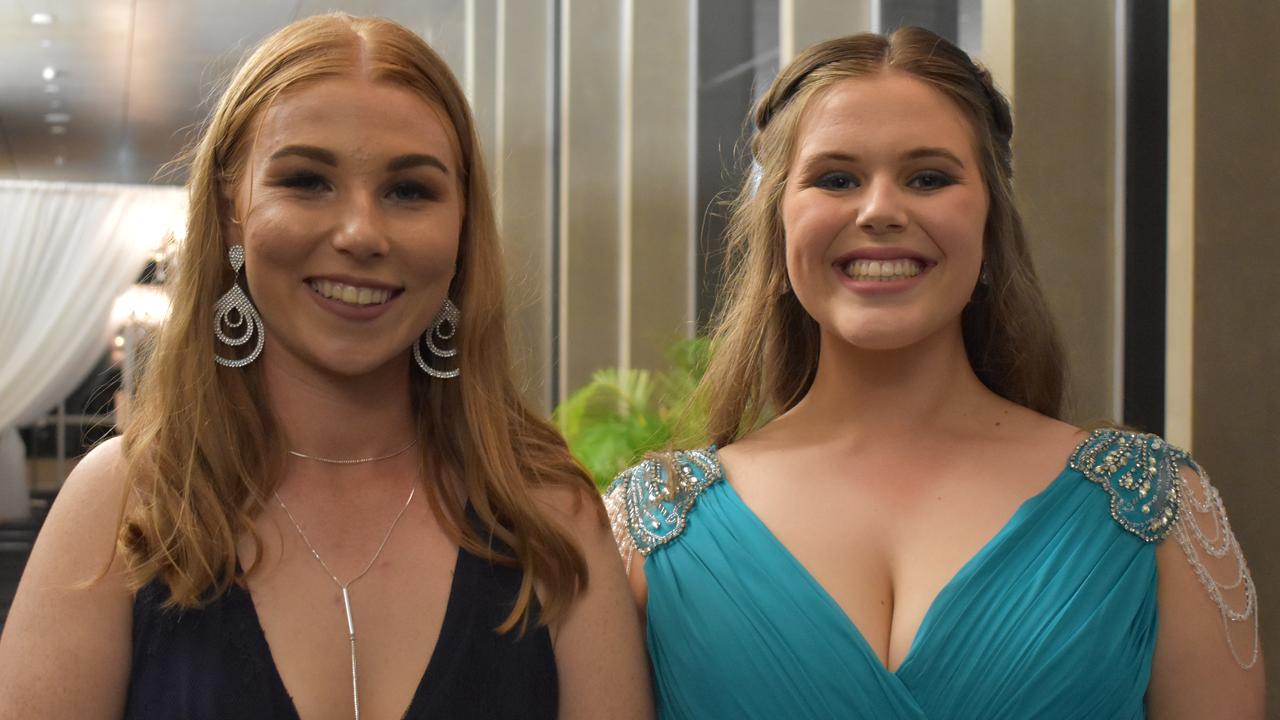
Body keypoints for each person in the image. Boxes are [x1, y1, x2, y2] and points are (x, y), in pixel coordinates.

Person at [0, 13, 652, 720]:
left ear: (462, 230)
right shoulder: (122, 504)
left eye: (409, 191)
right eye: (307, 181)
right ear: (231, 216)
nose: (361, 233)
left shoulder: (550, 515)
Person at [606, 27, 1263, 719]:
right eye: (836, 178)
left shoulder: (1159, 515)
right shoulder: (646, 534)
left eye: (928, 177)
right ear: (778, 225)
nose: (881, 210)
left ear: (989, 219)